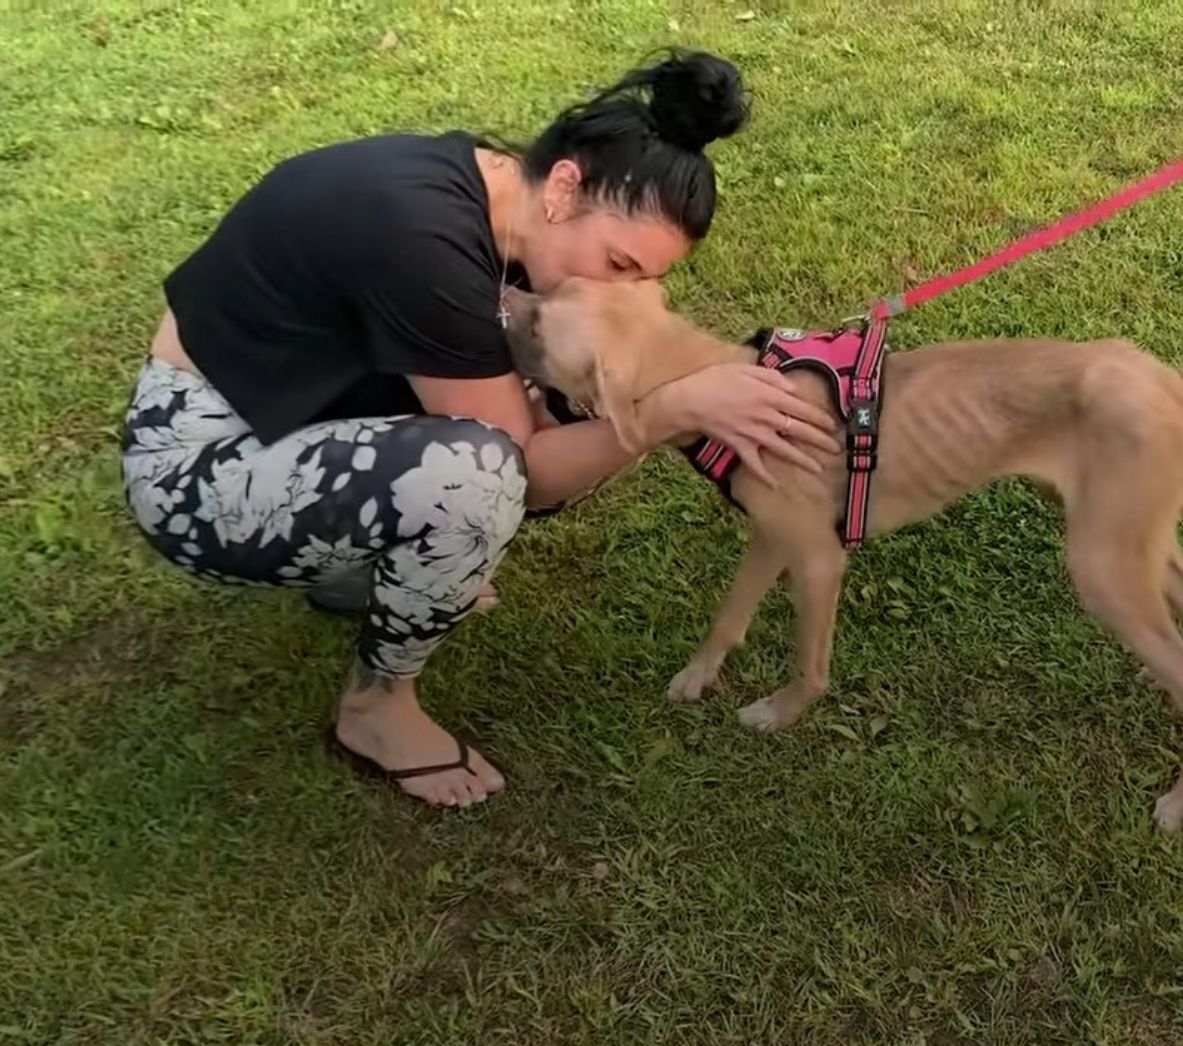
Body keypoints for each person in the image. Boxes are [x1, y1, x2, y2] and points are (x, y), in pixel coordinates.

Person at [120, 51, 837, 808]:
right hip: (198, 472)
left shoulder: (502, 201)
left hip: (301, 414)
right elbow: (528, 474)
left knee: (567, 404)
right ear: (565, 186)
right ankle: (377, 708)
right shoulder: (421, 240)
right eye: (617, 263)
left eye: (640, 279)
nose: (615, 292)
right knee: (478, 477)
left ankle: (357, 571)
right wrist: (672, 410)